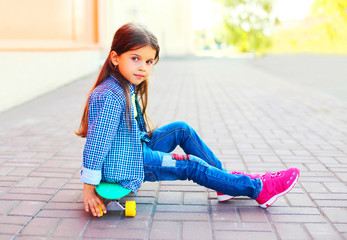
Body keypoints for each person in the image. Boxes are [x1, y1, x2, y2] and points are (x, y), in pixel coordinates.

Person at [76, 23, 300, 217]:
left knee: (181, 129)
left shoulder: (122, 86)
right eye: (135, 59)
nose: (143, 67)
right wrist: (89, 187)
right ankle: (258, 189)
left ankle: (223, 183)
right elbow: (97, 143)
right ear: (115, 57)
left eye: (149, 61)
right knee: (190, 165)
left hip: (131, 148)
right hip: (127, 163)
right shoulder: (111, 96)